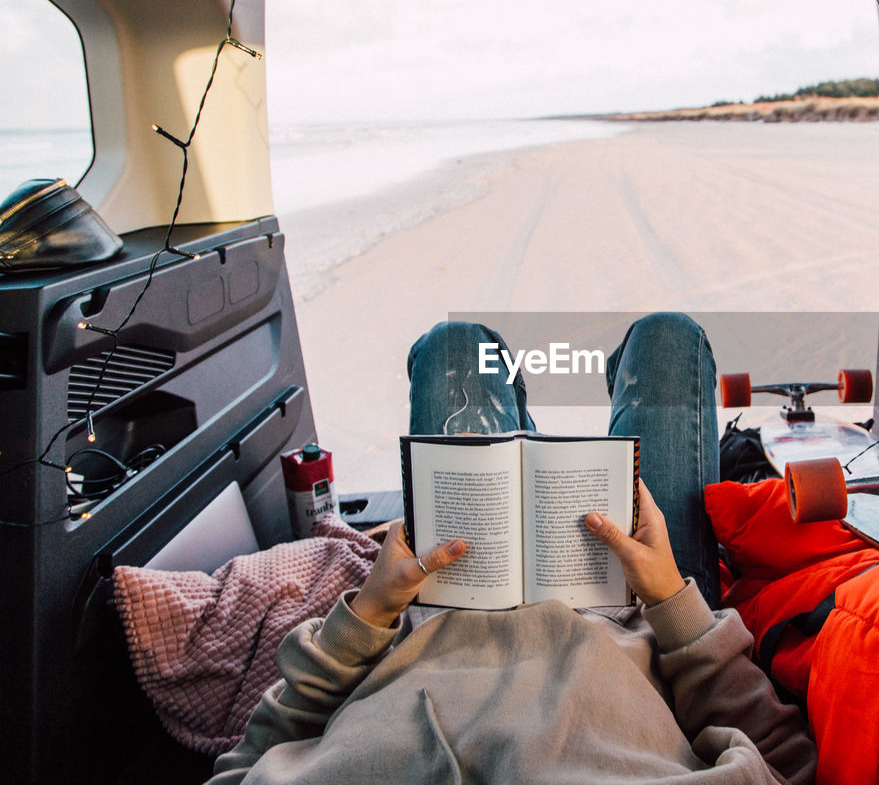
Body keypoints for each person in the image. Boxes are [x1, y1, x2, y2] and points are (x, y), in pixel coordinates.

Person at [209, 313, 816, 783]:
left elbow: (247, 761)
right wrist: (669, 600)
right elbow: (785, 761)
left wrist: (366, 615)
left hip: (442, 604)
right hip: (639, 619)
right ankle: (530, 427)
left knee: (455, 347)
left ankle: (515, 422)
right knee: (667, 340)